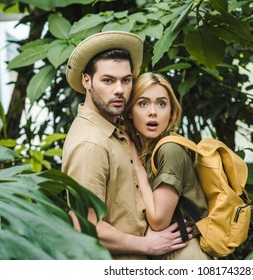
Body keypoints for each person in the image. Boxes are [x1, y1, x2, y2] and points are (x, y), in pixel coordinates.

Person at [62, 31, 191, 260]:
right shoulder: (90, 144)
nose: (120, 89)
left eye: (126, 80)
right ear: (87, 80)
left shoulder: (115, 132)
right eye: (108, 80)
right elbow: (86, 227)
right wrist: (146, 245)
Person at [124, 72, 213, 260]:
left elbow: (158, 220)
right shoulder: (148, 151)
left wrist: (138, 169)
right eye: (143, 103)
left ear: (171, 112)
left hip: (185, 254)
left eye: (161, 103)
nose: (153, 111)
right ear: (130, 111)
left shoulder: (170, 149)